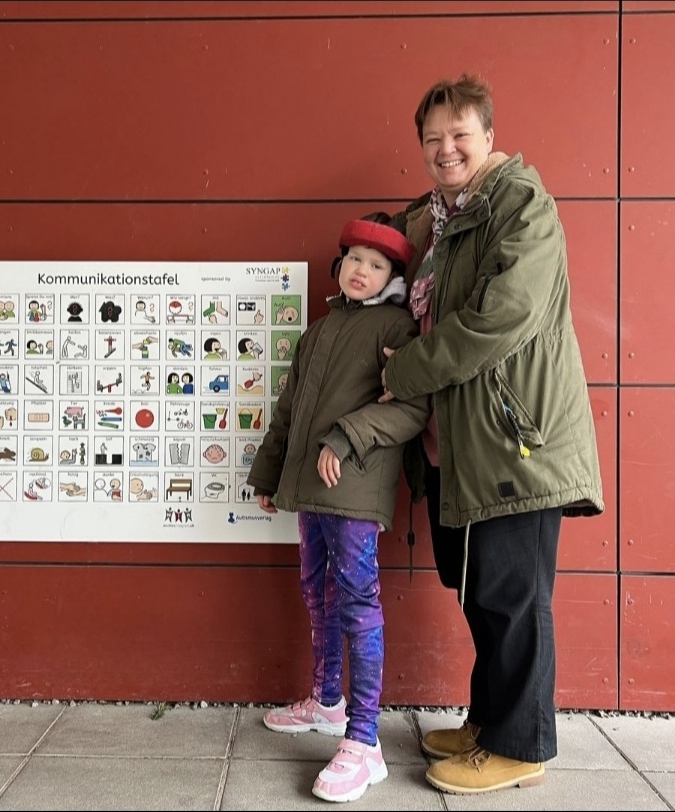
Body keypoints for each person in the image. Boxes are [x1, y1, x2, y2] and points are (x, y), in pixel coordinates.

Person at [377, 74, 605, 794]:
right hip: (458, 442)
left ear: (487, 135)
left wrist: (406, 370)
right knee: (480, 592)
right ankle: (489, 720)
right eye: (431, 138)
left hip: (515, 441)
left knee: (513, 598)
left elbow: (500, 319)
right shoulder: (437, 219)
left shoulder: (519, 204)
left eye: (458, 134)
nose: (445, 149)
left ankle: (522, 746)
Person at [248, 212, 430, 803]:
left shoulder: (400, 330)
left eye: (377, 265)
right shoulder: (318, 332)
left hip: (354, 489)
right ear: (339, 264)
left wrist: (346, 435)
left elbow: (413, 407)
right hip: (309, 489)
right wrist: (270, 473)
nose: (362, 270)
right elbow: (288, 412)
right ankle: (327, 701)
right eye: (354, 258)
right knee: (314, 587)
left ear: (393, 278)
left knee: (355, 599)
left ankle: (364, 739)